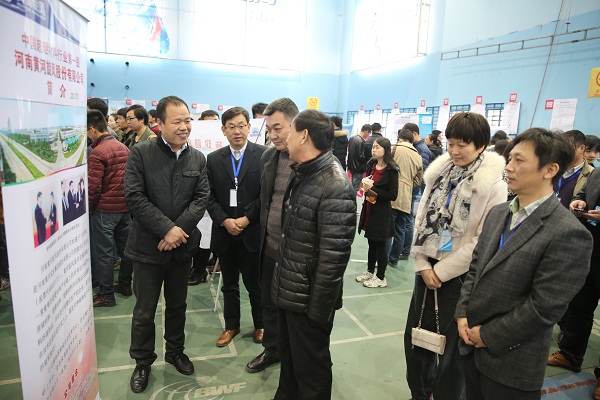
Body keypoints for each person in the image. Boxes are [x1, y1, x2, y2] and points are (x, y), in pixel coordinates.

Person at [456, 128, 592, 400]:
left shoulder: (567, 232)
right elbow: (475, 269)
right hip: (470, 346)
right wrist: (462, 314)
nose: (509, 167)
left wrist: (488, 335)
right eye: (510, 159)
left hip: (511, 363)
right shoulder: (498, 214)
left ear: (550, 170)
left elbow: (544, 308)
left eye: (519, 160)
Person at [404, 112, 507, 400]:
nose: (454, 151)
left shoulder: (493, 184)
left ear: (481, 145)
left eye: (462, 144)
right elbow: (421, 217)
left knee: (451, 349)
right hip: (426, 266)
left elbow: (483, 239)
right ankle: (420, 393)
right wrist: (422, 264)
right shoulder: (440, 173)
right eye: (450, 143)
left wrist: (441, 271)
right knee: (417, 339)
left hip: (459, 277)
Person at [125, 96, 209, 393]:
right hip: (147, 248)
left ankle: (175, 352)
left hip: (181, 247)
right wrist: (166, 229)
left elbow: (201, 198)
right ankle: (142, 361)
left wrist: (178, 231)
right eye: (177, 121)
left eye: (187, 120)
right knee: (144, 310)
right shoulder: (141, 153)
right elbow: (134, 197)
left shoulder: (197, 158)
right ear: (159, 123)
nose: (184, 127)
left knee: (177, 305)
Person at [271, 109, 356, 399]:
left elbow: (333, 260)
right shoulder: (304, 173)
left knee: (311, 373)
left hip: (308, 303)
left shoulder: (334, 185)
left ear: (304, 135)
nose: (284, 138)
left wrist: (317, 314)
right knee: (289, 364)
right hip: (290, 293)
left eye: (289, 131)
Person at [246, 97, 299, 374]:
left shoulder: (308, 161)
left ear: (295, 125)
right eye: (269, 129)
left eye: (278, 128)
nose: (273, 135)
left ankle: (293, 356)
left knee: (293, 311)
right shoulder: (269, 157)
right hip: (268, 248)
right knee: (268, 303)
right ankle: (272, 350)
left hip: (295, 254)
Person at [207, 107, 266, 347]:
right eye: (231, 127)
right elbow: (208, 196)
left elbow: (266, 194)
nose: (237, 131)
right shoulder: (214, 159)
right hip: (225, 232)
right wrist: (225, 220)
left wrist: (246, 219)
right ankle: (231, 325)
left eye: (241, 126)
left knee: (255, 284)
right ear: (224, 130)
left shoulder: (263, 155)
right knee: (229, 285)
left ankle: (261, 324)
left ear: (249, 127)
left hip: (251, 231)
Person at [86, 109, 132, 307]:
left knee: (104, 255)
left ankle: (106, 295)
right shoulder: (123, 147)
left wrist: (88, 209)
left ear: (92, 129)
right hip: (125, 209)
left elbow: (93, 187)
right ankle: (125, 285)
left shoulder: (98, 152)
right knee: (126, 251)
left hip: (105, 211)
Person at [356, 137, 398, 288]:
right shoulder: (371, 164)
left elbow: (392, 195)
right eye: (373, 147)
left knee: (380, 245)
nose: (373, 150)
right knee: (371, 243)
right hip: (369, 208)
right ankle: (369, 271)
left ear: (385, 150)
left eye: (377, 147)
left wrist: (373, 189)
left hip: (381, 213)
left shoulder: (391, 170)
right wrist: (367, 188)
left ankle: (380, 277)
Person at [388, 128, 423, 267]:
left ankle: (384, 257)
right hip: (407, 197)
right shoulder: (418, 156)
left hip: (392, 194)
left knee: (387, 229)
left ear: (400, 138)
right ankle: (394, 259)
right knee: (400, 230)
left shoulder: (393, 148)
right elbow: (418, 181)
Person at [554, 130, 594, 209]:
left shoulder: (592, 174)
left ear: (582, 148)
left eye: (568, 147)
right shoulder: (553, 169)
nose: (563, 150)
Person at [347, 124, 371, 193]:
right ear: (366, 131)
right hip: (358, 167)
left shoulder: (352, 138)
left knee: (352, 185)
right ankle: (352, 199)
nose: (368, 136)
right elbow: (360, 156)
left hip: (351, 165)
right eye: (369, 133)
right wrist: (367, 159)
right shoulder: (360, 141)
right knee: (355, 187)